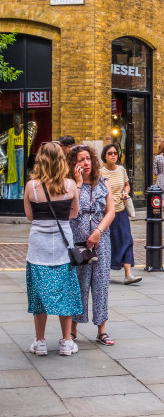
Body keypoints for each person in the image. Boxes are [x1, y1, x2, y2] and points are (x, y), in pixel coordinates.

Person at [23, 141, 82, 355]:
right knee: (65, 293)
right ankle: (66, 341)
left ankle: (40, 342)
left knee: (39, 294)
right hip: (63, 247)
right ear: (61, 160)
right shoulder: (70, 185)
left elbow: (30, 216)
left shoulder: (31, 187)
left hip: (39, 247)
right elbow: (74, 213)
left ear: (41, 159)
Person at [68, 145, 115, 345]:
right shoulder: (69, 185)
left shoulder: (103, 183)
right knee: (78, 285)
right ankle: (72, 330)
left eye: (87, 159)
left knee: (101, 285)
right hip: (78, 243)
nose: (85, 163)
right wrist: (78, 183)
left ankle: (101, 330)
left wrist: (98, 232)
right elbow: (70, 210)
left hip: (101, 242)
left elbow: (111, 211)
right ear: (73, 164)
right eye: (80, 160)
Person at [101, 144, 140, 285]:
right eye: (110, 153)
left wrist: (126, 192)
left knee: (127, 240)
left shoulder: (121, 170)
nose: (113, 155)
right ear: (104, 156)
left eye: (115, 153)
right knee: (108, 243)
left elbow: (127, 184)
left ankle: (128, 274)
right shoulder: (100, 172)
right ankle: (104, 272)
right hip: (106, 213)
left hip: (121, 211)